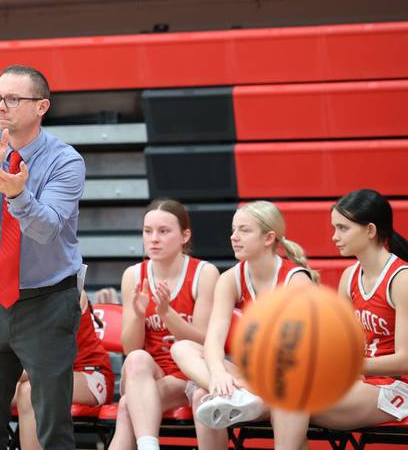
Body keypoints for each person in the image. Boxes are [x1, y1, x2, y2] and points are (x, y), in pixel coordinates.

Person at [0, 65, 85, 450]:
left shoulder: (66, 161)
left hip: (48, 302)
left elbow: (46, 230)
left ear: (41, 106)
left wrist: (16, 194)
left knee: (52, 425)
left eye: (13, 99)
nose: (1, 107)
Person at [269, 189, 408, 450]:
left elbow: (405, 360)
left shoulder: (401, 279)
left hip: (398, 388)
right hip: (361, 381)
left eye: (343, 228)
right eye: (334, 228)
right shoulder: (350, 276)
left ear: (370, 230)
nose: (334, 236)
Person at [170, 201, 314, 450]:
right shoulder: (230, 278)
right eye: (233, 230)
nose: (234, 237)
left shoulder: (297, 282)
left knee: (205, 395)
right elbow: (213, 339)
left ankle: (242, 393)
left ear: (269, 237)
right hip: (249, 380)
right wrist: (218, 375)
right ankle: (240, 393)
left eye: (244, 230)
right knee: (183, 349)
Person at [108, 199, 220, 450]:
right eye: (148, 231)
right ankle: (149, 445)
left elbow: (203, 340)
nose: (154, 239)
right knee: (136, 358)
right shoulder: (133, 275)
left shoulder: (204, 273)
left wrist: (166, 313)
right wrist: (138, 315)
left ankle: (148, 443)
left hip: (192, 375)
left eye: (164, 231)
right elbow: (129, 348)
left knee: (127, 406)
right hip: (147, 375)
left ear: (185, 235)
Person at [0, 290, 115, 450]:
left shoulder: (66, 290)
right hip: (34, 373)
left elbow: (50, 364)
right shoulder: (2, 296)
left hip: (89, 373)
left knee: (31, 392)